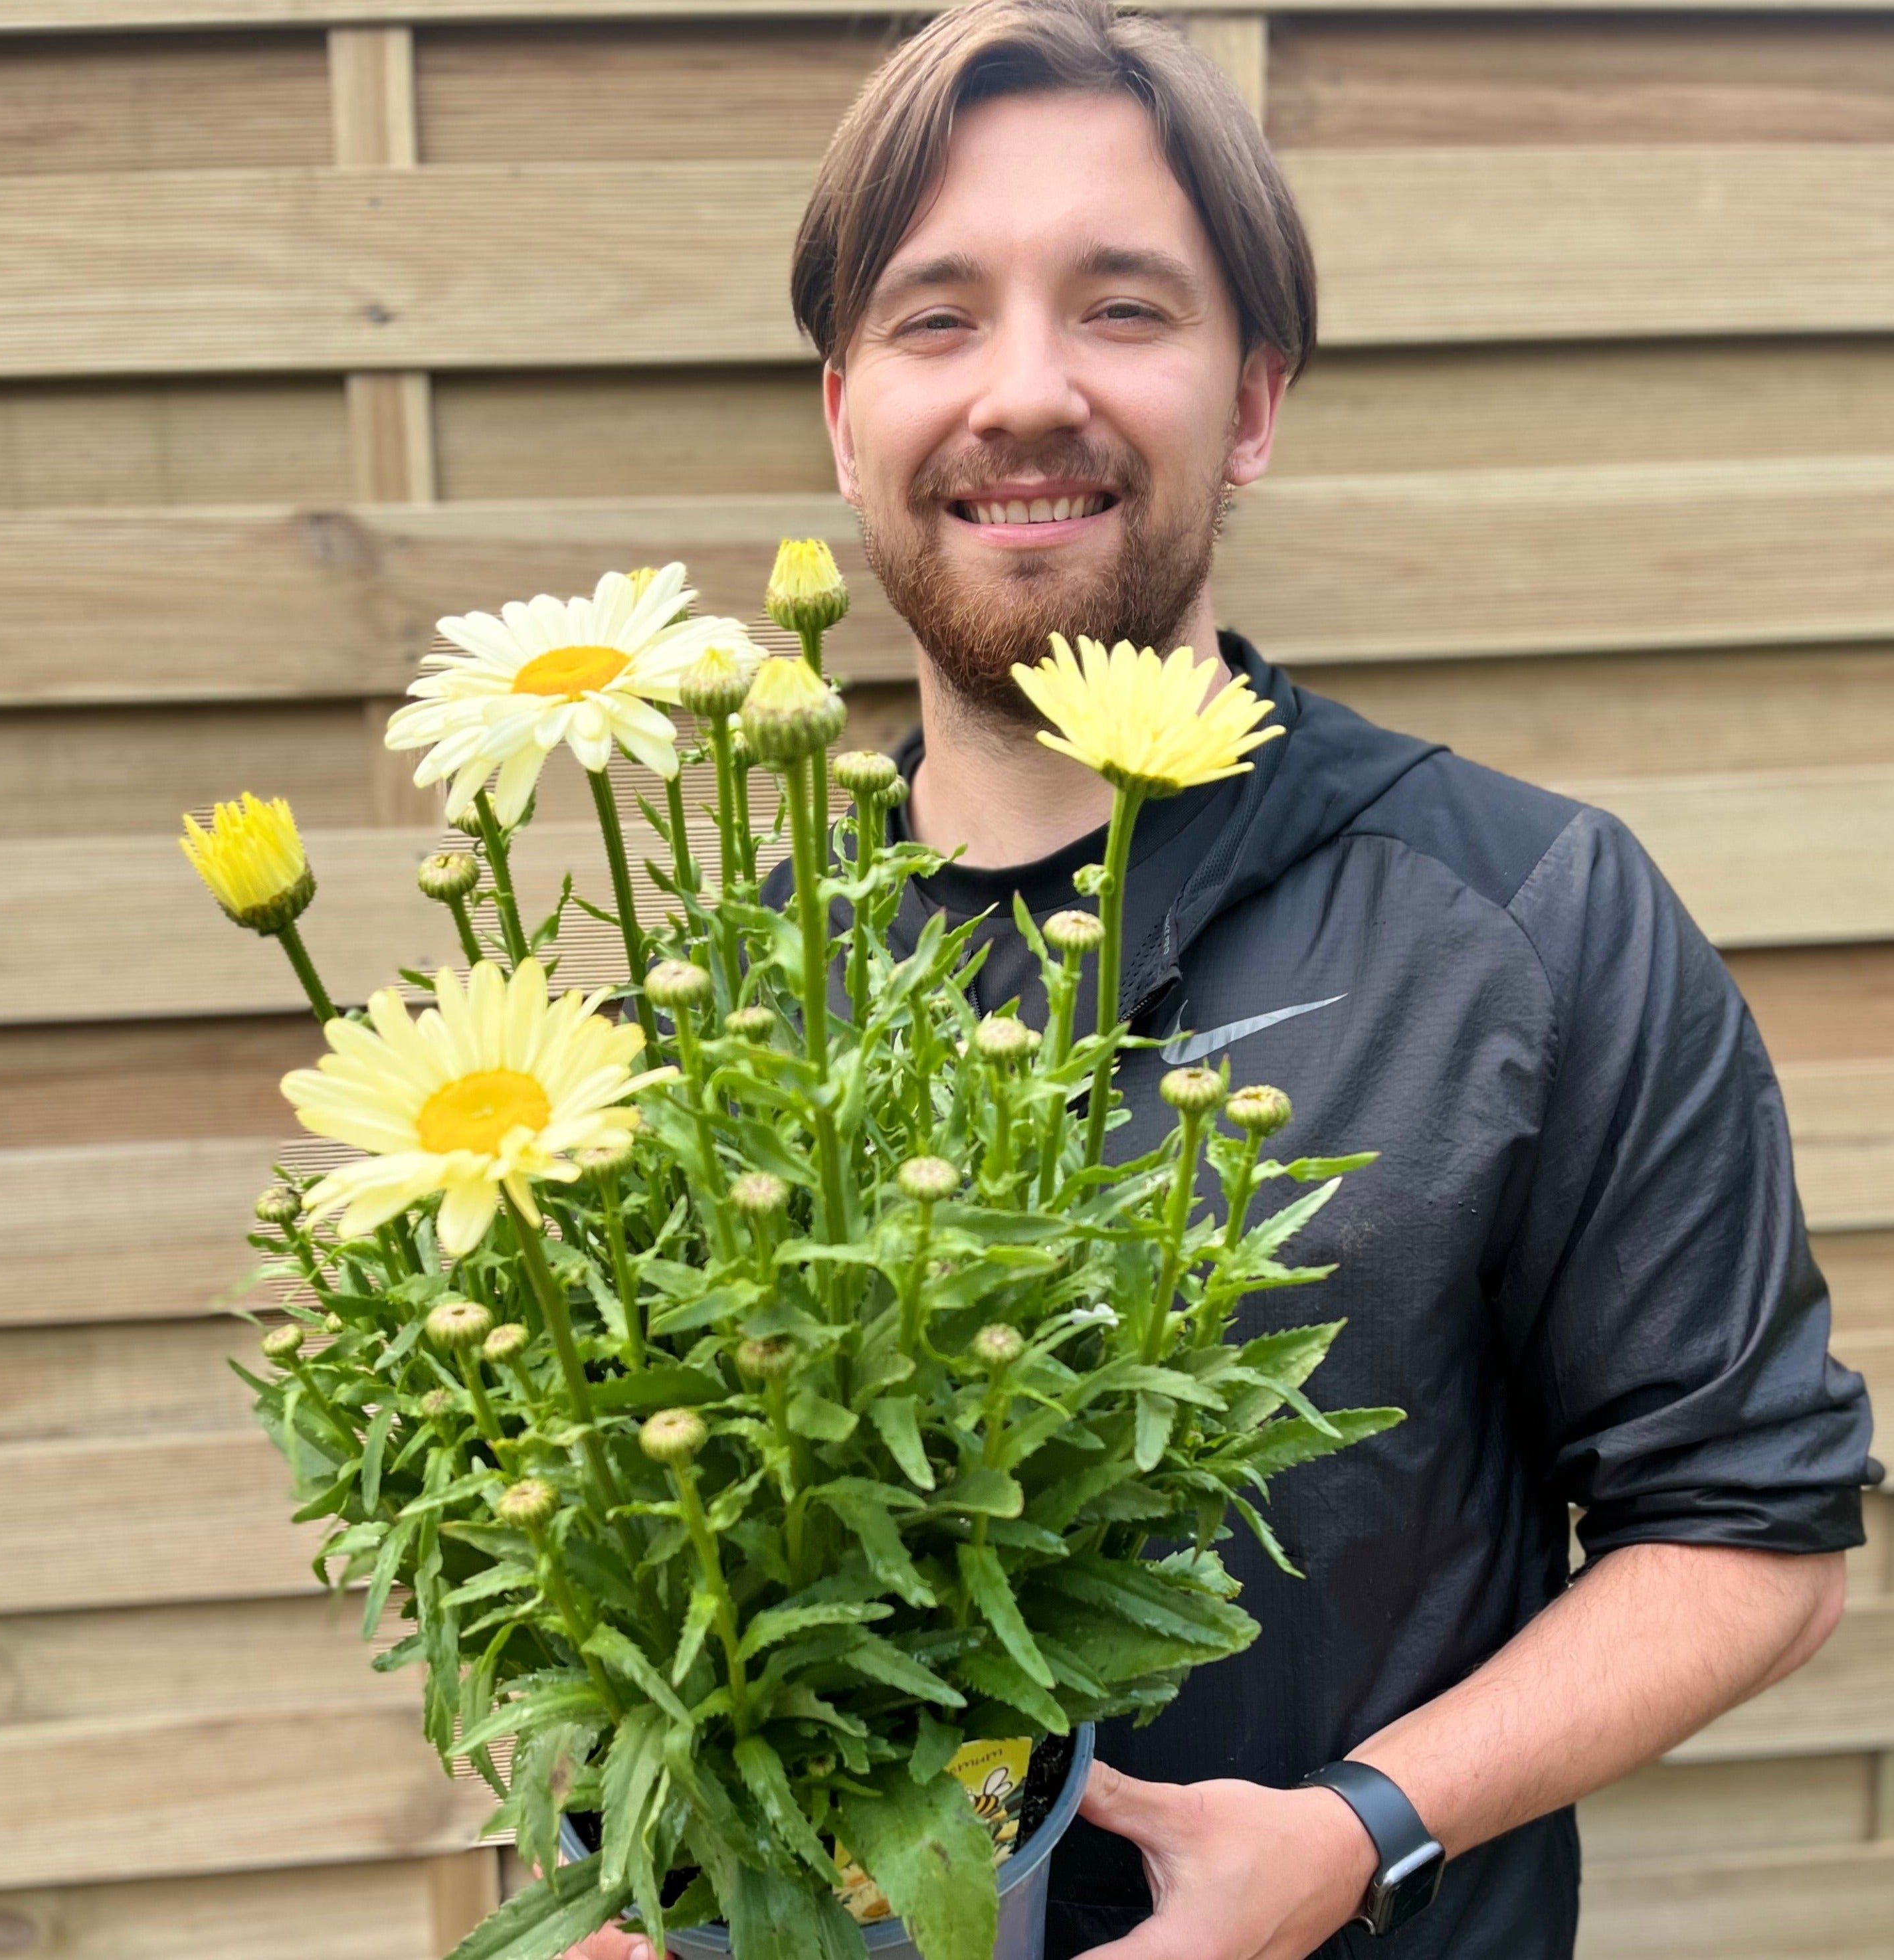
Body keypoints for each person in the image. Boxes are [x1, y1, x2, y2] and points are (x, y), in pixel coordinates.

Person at [576, 3, 1873, 1955]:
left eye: (1123, 309)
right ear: (843, 413)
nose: (1025, 391)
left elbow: (1757, 1538)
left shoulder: (1529, 916)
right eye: (938, 318)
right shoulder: (722, 1008)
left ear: (1251, 399)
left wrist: (1362, 1831)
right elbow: (640, 1628)